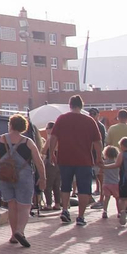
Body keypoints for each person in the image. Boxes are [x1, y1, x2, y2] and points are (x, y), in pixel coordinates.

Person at [0, 114, 44, 248]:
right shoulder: (28, 142)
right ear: (23, 127)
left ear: (10, 125)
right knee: (24, 205)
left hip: (5, 175)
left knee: (12, 204)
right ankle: (20, 231)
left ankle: (13, 235)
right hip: (24, 176)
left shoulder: (0, 139)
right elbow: (38, 162)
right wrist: (42, 177)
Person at [50, 96, 102, 226]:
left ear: (70, 105)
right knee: (84, 189)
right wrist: (99, 157)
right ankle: (80, 216)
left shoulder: (62, 119)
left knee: (66, 186)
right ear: (82, 105)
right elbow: (98, 141)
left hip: (65, 158)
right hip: (84, 160)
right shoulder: (89, 121)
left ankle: (65, 210)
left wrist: (51, 153)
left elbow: (53, 137)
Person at [97, 145, 121, 219]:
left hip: (106, 183)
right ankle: (119, 212)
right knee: (117, 198)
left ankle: (105, 211)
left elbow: (100, 172)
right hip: (115, 183)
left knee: (106, 198)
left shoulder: (104, 163)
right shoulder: (117, 163)